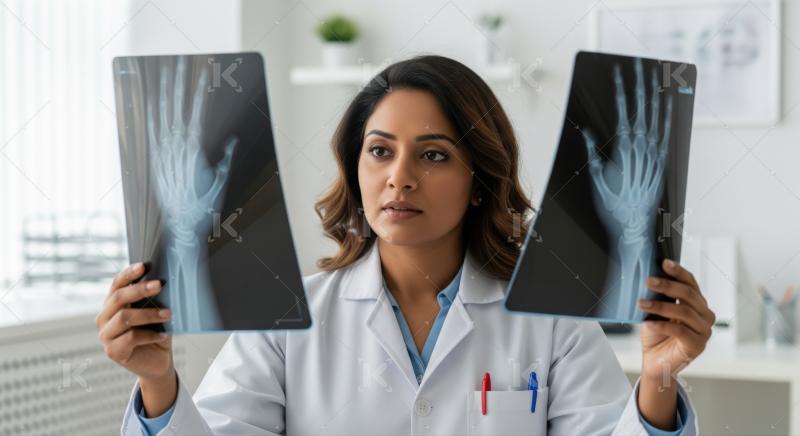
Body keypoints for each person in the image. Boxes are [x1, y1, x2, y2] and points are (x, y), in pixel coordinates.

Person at [96, 55, 715, 435]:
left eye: (435, 155)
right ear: (356, 168)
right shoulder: (286, 320)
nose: (400, 177)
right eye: (380, 151)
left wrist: (658, 377)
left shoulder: (552, 323)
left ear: (480, 180)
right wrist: (158, 383)